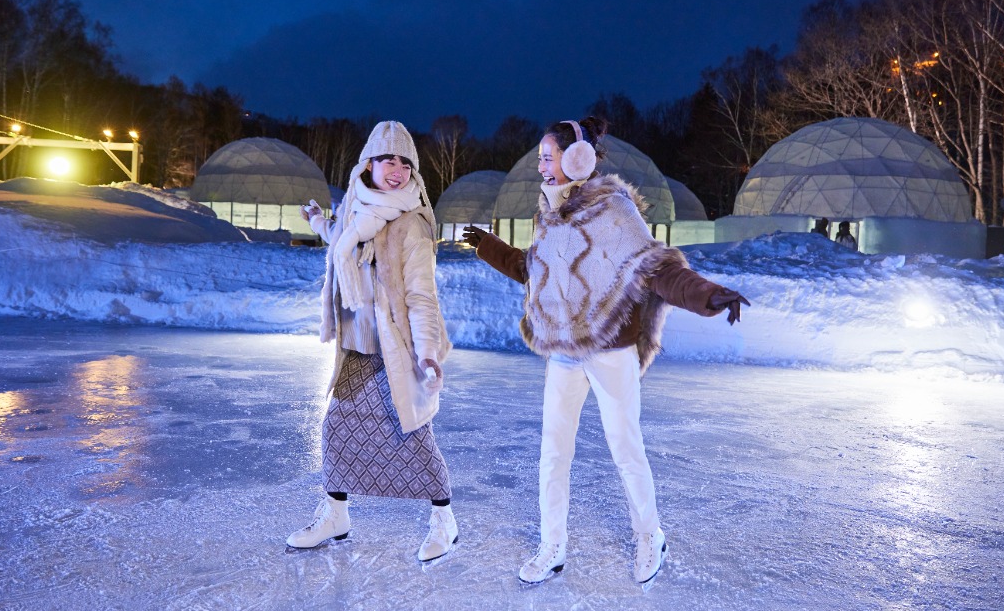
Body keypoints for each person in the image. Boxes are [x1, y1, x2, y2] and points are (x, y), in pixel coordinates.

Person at [462, 117, 749, 585]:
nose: (540, 166)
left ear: (577, 159)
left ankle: (648, 534)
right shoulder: (549, 213)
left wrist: (706, 294)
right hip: (563, 350)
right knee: (553, 453)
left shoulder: (612, 210)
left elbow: (654, 268)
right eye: (539, 157)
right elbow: (533, 271)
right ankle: (552, 545)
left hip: (609, 348)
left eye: (547, 157)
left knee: (624, 447)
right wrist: (490, 247)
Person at [286, 120, 458, 563]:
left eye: (405, 162)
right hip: (356, 346)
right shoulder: (355, 210)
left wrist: (427, 352)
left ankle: (444, 522)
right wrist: (320, 223)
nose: (396, 170)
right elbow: (344, 241)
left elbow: (422, 296)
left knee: (413, 436)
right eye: (387, 159)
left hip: (395, 350)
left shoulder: (411, 225)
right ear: (368, 164)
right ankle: (335, 515)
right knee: (338, 430)